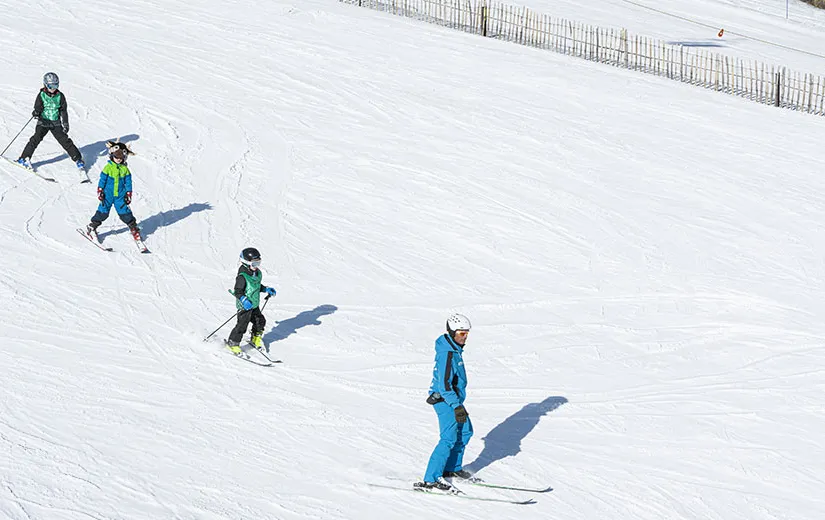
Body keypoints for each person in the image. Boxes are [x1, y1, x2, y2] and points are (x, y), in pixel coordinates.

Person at [414, 314, 475, 493]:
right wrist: (456, 406)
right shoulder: (447, 353)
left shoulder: (454, 349)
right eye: (461, 333)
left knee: (465, 431)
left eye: (466, 334)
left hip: (453, 400)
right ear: (451, 332)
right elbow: (444, 384)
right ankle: (431, 479)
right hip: (445, 401)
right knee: (448, 438)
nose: (464, 337)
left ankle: (451, 469)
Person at [17, 72, 84, 170]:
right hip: (43, 122)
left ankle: (78, 159)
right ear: (45, 85)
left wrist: (65, 123)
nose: (53, 88)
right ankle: (24, 158)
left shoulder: (60, 96)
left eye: (55, 85)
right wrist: (36, 112)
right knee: (35, 139)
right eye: (50, 86)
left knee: (65, 141)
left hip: (55, 123)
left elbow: (63, 111)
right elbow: (38, 106)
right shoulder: (42, 95)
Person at [226, 247, 277, 355]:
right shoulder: (242, 277)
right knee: (242, 325)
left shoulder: (257, 273)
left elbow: (256, 286)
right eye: (254, 264)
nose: (256, 266)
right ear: (246, 263)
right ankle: (233, 342)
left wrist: (266, 289)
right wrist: (244, 300)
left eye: (258, 263)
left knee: (260, 321)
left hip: (254, 304)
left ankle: (255, 338)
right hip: (244, 306)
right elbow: (238, 291)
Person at [85, 142, 141, 241]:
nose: (118, 159)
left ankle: (133, 228)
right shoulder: (108, 168)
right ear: (112, 156)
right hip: (107, 195)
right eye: (116, 157)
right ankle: (92, 226)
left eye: (120, 157)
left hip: (120, 195)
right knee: (103, 212)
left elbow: (128, 183)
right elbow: (102, 180)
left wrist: (129, 193)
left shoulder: (125, 170)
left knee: (125, 213)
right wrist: (100, 190)